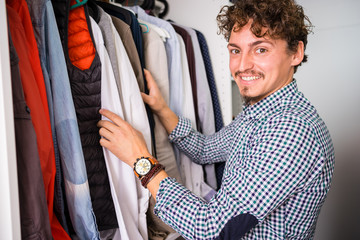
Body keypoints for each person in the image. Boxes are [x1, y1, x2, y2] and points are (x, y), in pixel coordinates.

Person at [97, 0, 335, 239]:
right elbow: (205, 149)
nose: (242, 65)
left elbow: (212, 230)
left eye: (261, 49)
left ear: (296, 53)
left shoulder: (291, 130)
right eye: (236, 50)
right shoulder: (259, 115)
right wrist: (162, 109)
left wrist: (141, 161)